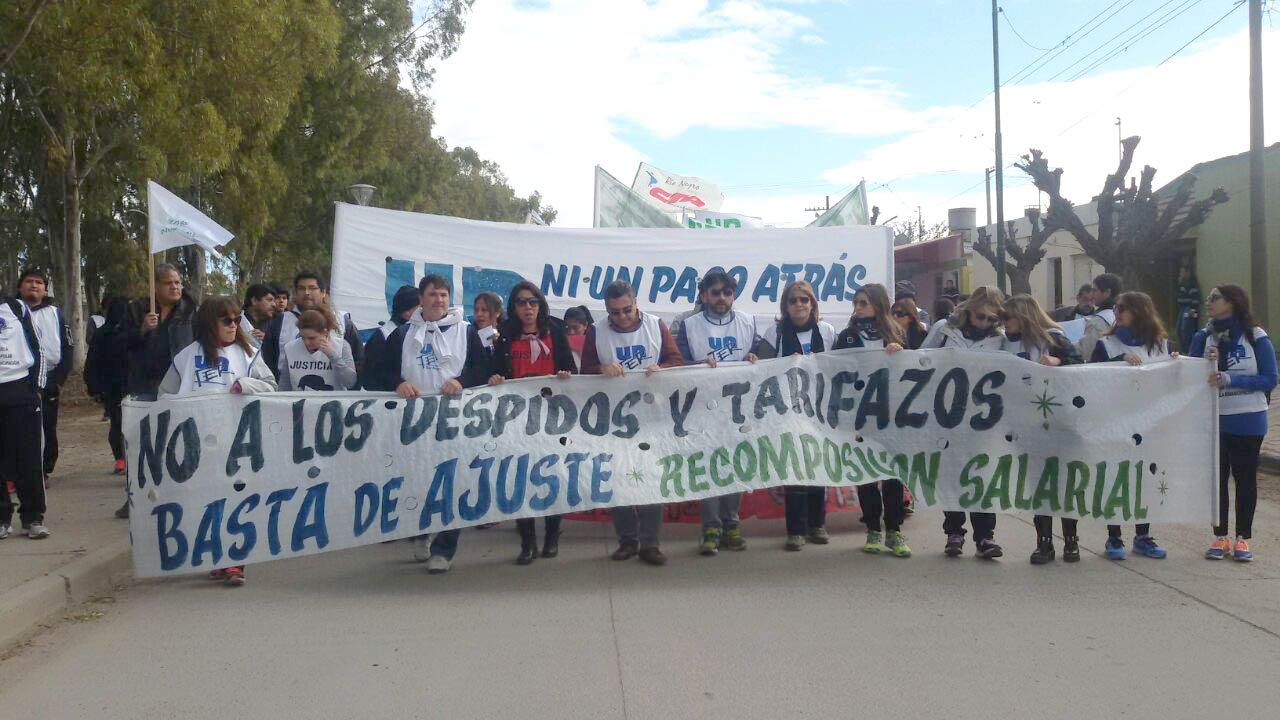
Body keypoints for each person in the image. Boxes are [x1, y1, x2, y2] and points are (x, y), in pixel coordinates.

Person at [370, 274, 490, 574]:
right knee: (418, 479)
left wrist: (461, 381)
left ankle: (445, 548)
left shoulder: (465, 331)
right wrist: (398, 383)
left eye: (444, 294)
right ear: (421, 299)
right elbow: (378, 371)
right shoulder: (402, 335)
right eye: (433, 294)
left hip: (455, 420)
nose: (439, 300)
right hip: (414, 420)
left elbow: (482, 369)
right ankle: (421, 532)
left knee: (452, 481)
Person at [159, 296, 276, 585]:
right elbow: (166, 394)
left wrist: (245, 385)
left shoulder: (249, 354)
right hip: (197, 442)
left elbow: (272, 386)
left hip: (238, 441)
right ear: (210, 323)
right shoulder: (186, 357)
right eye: (226, 320)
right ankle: (217, 556)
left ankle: (235, 560)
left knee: (235, 499)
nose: (234, 325)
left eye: (237, 319)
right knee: (207, 501)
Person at [581, 279, 683, 566]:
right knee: (618, 477)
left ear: (636, 302)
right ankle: (627, 540)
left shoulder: (656, 325)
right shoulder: (596, 332)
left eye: (627, 310)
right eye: (615, 312)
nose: (622, 317)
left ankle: (650, 543)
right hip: (612, 417)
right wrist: (601, 368)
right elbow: (584, 372)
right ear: (606, 310)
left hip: (652, 415)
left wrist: (660, 367)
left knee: (650, 478)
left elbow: (677, 360)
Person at [487, 281, 577, 564]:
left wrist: (565, 374)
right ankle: (527, 542)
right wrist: (495, 380)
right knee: (520, 478)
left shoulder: (555, 331)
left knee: (553, 475)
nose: (528, 307)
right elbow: (494, 374)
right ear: (513, 307)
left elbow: (571, 370)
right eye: (522, 302)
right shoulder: (504, 337)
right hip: (517, 417)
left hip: (552, 416)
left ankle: (551, 535)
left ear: (540, 304)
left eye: (533, 301)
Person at [1190, 285, 1276, 562]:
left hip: (1249, 418)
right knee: (1217, 481)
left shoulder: (1255, 335)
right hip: (1214, 419)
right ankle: (1220, 536)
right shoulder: (1203, 336)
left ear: (1232, 301)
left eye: (1215, 297)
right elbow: (1188, 377)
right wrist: (1206, 363)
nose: (1209, 302)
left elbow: (1270, 378)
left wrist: (1231, 378)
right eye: (1209, 298)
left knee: (1245, 479)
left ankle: (1243, 538)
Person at [921, 285, 1007, 559]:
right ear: (969, 311)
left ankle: (985, 536)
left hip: (982, 416)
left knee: (981, 474)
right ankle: (954, 532)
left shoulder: (999, 339)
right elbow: (921, 358)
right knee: (951, 472)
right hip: (945, 411)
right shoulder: (944, 329)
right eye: (980, 317)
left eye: (991, 319)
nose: (985, 323)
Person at [675, 271, 757, 556]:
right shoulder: (689, 325)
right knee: (709, 466)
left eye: (727, 292)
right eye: (715, 292)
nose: (722, 298)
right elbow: (679, 363)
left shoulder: (747, 321)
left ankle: (731, 523)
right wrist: (697, 364)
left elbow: (760, 356)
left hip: (738, 407)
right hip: (703, 406)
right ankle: (710, 527)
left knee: (735, 463)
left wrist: (753, 358)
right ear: (704, 295)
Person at [1000, 294, 1084, 564]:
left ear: (1022, 316)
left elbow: (1083, 369)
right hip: (1027, 423)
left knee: (1063, 482)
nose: (1004, 323)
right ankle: (1044, 542)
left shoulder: (1054, 338)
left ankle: (1071, 540)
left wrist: (1059, 363)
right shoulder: (1005, 343)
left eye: (1007, 316)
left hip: (1059, 420)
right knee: (1037, 483)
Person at [1089, 291, 1173, 561]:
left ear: (1139, 311)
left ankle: (1143, 535)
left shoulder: (1160, 344)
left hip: (1149, 422)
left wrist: (1178, 365)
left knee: (1144, 478)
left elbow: (1169, 382)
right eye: (1115, 307)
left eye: (1122, 308)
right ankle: (1114, 536)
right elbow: (1089, 375)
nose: (1117, 312)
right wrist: (1117, 362)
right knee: (1115, 477)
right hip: (1115, 421)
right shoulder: (1107, 344)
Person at [755, 280, 836, 551]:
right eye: (793, 300)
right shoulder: (774, 332)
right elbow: (758, 365)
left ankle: (817, 524)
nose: (799, 304)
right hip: (786, 410)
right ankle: (795, 530)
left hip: (818, 410)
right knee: (794, 468)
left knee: (817, 466)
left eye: (804, 299)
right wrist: (754, 360)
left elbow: (840, 367)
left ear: (812, 304)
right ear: (785, 306)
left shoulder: (826, 331)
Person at [834, 283, 911, 558]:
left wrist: (899, 353)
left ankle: (894, 530)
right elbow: (833, 371)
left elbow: (918, 370)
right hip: (859, 415)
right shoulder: (846, 337)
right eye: (856, 303)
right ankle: (873, 529)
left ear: (878, 305)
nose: (858, 308)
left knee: (892, 475)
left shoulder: (898, 334)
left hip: (891, 413)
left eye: (863, 303)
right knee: (866, 473)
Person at [120, 263, 198, 518]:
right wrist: (141, 330)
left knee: (175, 442)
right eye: (168, 283)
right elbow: (117, 346)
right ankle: (136, 497)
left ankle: (179, 495)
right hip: (143, 385)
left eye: (177, 282)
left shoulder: (190, 312)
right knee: (140, 444)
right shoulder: (135, 310)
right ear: (155, 287)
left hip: (177, 387)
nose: (175, 287)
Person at [0, 292, 50, 540]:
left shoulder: (17, 308)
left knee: (28, 457)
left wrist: (37, 389)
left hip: (21, 391)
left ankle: (32, 518)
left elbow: (38, 347)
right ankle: (1, 518)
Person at [263, 271, 363, 386]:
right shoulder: (280, 321)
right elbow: (268, 359)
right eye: (301, 288)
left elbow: (358, 362)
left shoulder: (342, 321)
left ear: (323, 292)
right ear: (295, 293)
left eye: (312, 288)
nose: (306, 293)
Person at [17, 269, 71, 479]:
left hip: (49, 379)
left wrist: (58, 381)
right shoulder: (10, 312)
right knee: (16, 427)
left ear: (45, 288)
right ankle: (17, 472)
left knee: (46, 426)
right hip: (18, 379)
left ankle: (43, 469)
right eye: (29, 281)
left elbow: (67, 347)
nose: (33, 285)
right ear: (20, 287)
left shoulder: (55, 313)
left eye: (39, 282)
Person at [84, 297, 131, 475]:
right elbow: (93, 361)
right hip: (114, 386)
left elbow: (91, 362)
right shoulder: (104, 334)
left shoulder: (131, 333)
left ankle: (123, 458)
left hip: (121, 385)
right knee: (118, 422)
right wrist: (94, 386)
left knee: (119, 423)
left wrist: (93, 386)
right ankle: (121, 459)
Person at [277, 308, 358, 391]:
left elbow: (350, 382)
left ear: (325, 333)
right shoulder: (291, 348)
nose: (306, 342)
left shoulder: (341, 345)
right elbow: (285, 384)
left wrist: (332, 355)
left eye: (312, 338)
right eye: (303, 337)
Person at [358, 285, 418, 391]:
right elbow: (371, 378)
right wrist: (397, 385)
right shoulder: (383, 336)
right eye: (421, 307)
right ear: (407, 312)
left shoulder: (423, 332)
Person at [1077, 273, 1121, 357]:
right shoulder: (1125, 317)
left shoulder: (1097, 322)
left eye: (1095, 290)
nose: (1092, 295)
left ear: (1107, 292)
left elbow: (1086, 354)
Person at [471, 291, 504, 378]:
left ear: (498, 312)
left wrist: (499, 342)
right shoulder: (468, 335)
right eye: (476, 310)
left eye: (484, 310)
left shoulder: (507, 335)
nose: (479, 314)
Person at [1176, 267, 1201, 353]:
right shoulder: (1182, 284)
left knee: (1186, 331)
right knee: (1179, 330)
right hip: (1182, 309)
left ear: (1188, 272)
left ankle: (1189, 351)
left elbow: (1195, 300)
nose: (1181, 273)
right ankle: (1184, 351)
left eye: (1182, 272)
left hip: (1189, 309)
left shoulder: (1192, 284)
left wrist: (1192, 311)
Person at [563, 305, 593, 371]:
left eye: (575, 328)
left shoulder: (596, 344)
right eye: (567, 327)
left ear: (585, 325)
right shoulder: (559, 344)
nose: (571, 332)